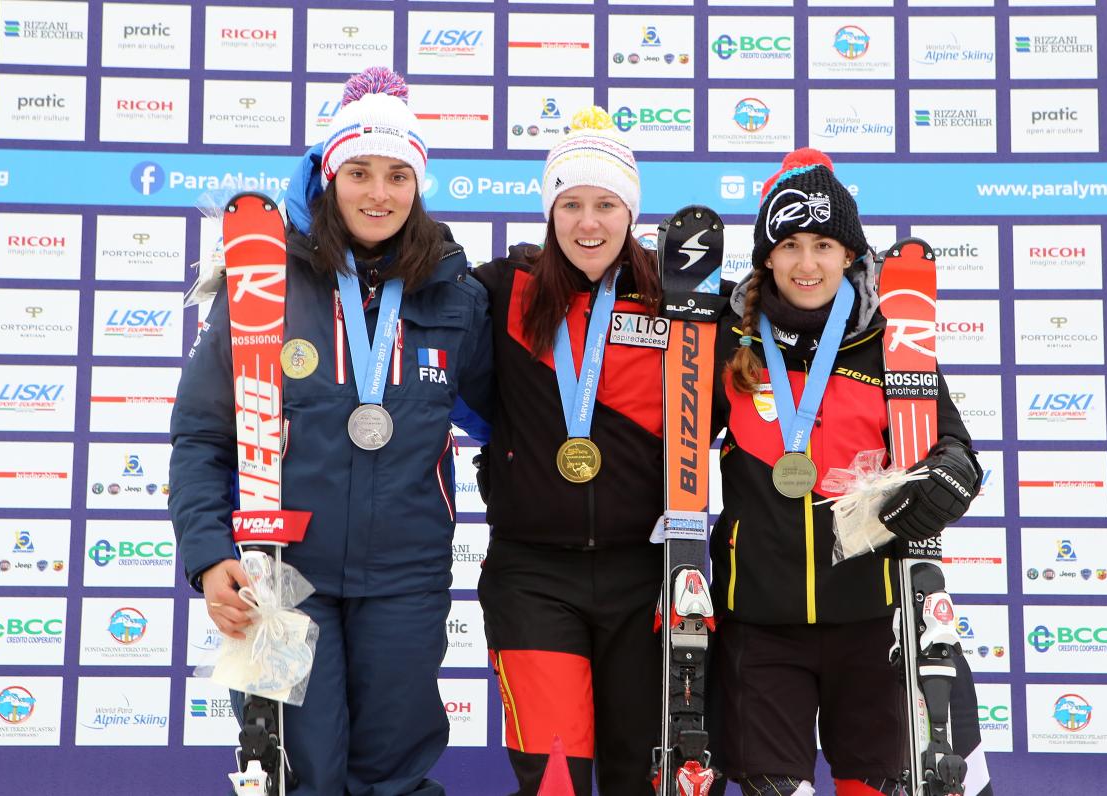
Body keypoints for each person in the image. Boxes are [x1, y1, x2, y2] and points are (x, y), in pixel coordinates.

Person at [169, 66, 493, 796]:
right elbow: (201, 436)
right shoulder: (264, 284)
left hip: (407, 578)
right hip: (285, 578)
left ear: (418, 185)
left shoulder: (453, 294)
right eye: (359, 171)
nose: (378, 193)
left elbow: (515, 424)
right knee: (297, 769)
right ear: (327, 174)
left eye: (397, 176)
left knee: (394, 773)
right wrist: (210, 553)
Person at [709, 148, 982, 796]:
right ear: (766, 256)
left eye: (825, 245)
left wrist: (945, 477)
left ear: (852, 255)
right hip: (759, 624)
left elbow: (958, 452)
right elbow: (666, 448)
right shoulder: (727, 341)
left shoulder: (891, 341)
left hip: (873, 622)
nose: (807, 264)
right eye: (791, 244)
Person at [472, 106, 669, 796]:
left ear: (631, 212)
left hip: (646, 573)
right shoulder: (501, 292)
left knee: (642, 775)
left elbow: (783, 336)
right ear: (551, 210)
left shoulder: (679, 304)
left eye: (607, 204)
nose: (590, 223)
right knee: (554, 779)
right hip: (533, 576)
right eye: (573, 203)